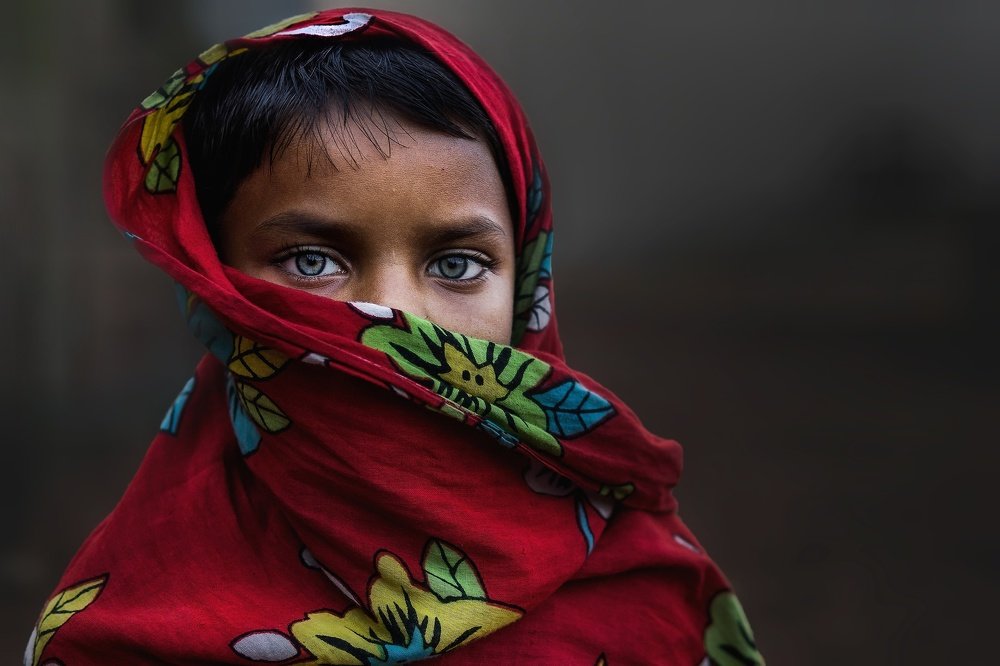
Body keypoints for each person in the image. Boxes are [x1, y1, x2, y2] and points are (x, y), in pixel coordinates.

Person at [26, 9, 765, 665]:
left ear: (527, 287)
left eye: (457, 264)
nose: (395, 316)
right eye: (313, 261)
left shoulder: (643, 589)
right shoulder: (121, 630)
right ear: (214, 282)